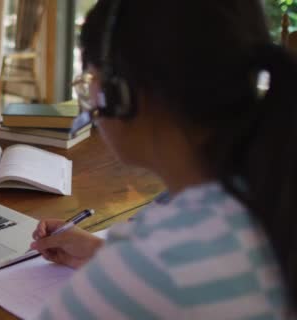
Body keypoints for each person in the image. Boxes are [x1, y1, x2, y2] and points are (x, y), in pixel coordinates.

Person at [30, 0, 296, 318]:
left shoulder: (155, 266)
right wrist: (102, 254)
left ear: (123, 94)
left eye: (89, 82)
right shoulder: (269, 191)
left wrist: (125, 271)